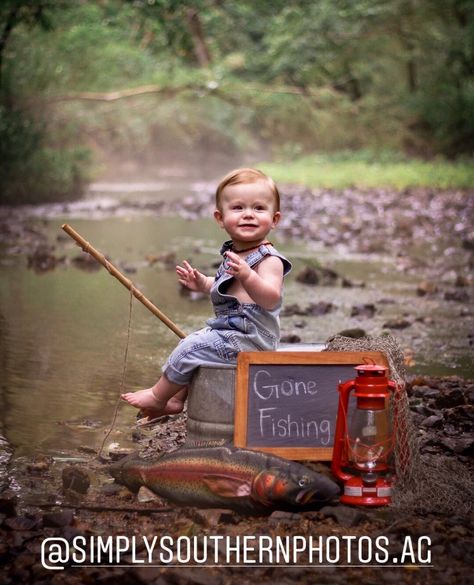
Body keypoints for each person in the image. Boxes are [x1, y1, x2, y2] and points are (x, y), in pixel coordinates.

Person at [121, 168, 292, 419]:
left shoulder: (270, 260)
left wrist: (248, 275)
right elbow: (228, 287)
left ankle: (159, 396)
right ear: (220, 218)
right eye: (238, 208)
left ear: (274, 219)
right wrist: (202, 283)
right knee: (193, 348)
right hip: (231, 333)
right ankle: (176, 399)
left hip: (251, 340)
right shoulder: (234, 254)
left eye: (258, 208)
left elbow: (270, 298)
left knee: (193, 347)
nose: (248, 215)